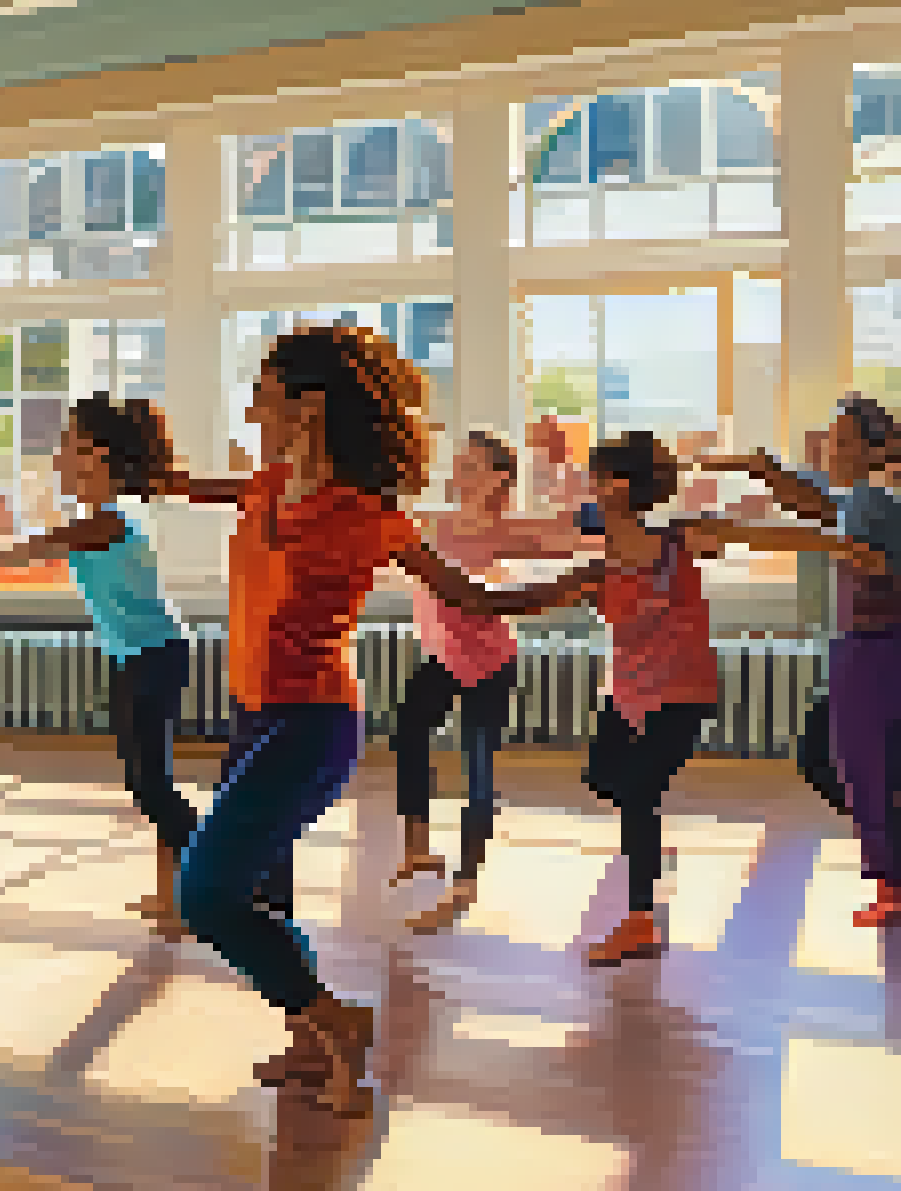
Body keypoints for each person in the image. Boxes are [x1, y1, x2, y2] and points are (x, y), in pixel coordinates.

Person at [150, 326, 610, 1117]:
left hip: (310, 726)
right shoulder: (264, 486)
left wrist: (578, 583)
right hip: (252, 716)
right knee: (258, 891)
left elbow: (471, 597)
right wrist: (136, 458)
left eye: (264, 395)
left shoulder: (371, 516)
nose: (252, 409)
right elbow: (181, 485)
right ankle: (308, 1037)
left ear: (308, 408)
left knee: (205, 893)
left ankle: (340, 1021)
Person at [491, 432, 880, 962]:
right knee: (604, 777)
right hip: (627, 691)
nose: (588, 486)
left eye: (597, 477)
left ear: (619, 487)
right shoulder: (599, 552)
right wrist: (466, 593)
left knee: (637, 795)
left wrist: (849, 548)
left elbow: (764, 536)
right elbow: (534, 574)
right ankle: (650, 855)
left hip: (682, 691)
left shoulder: (681, 538)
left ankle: (641, 921)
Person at [0, 397, 195, 938]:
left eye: (68, 443)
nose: (57, 456)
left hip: (154, 656)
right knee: (148, 781)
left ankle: (212, 879)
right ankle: (176, 894)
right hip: (136, 657)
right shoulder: (97, 521)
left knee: (149, 783)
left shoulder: (102, 524)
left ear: (97, 457)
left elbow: (6, 555)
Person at [700, 401, 901, 925]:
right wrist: (761, 470)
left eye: (841, 439)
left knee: (857, 765)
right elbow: (815, 504)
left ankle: (891, 883)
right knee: (835, 757)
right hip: (866, 645)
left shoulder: (872, 500)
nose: (830, 448)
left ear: (869, 448)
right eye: (832, 438)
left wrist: (742, 532)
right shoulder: (865, 498)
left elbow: (844, 543)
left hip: (875, 646)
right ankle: (890, 876)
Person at [385, 432, 593, 932]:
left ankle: (464, 884)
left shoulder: (510, 530)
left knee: (477, 766)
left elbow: (576, 532)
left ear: (499, 478)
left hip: (490, 663)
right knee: (407, 732)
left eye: (471, 467)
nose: (459, 474)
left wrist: (569, 474)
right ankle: (418, 848)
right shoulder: (432, 522)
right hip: (442, 657)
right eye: (458, 465)